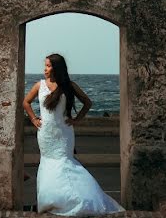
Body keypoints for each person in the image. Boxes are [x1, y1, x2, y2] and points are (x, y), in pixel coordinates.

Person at [22, 54, 124, 216]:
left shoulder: (69, 85)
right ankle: (54, 201)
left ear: (57, 68)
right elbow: (25, 102)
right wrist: (33, 118)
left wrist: (77, 120)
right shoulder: (39, 85)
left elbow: (87, 103)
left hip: (64, 133)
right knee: (48, 165)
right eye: (45, 65)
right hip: (46, 134)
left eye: (48, 66)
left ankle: (80, 200)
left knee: (65, 163)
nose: (45, 69)